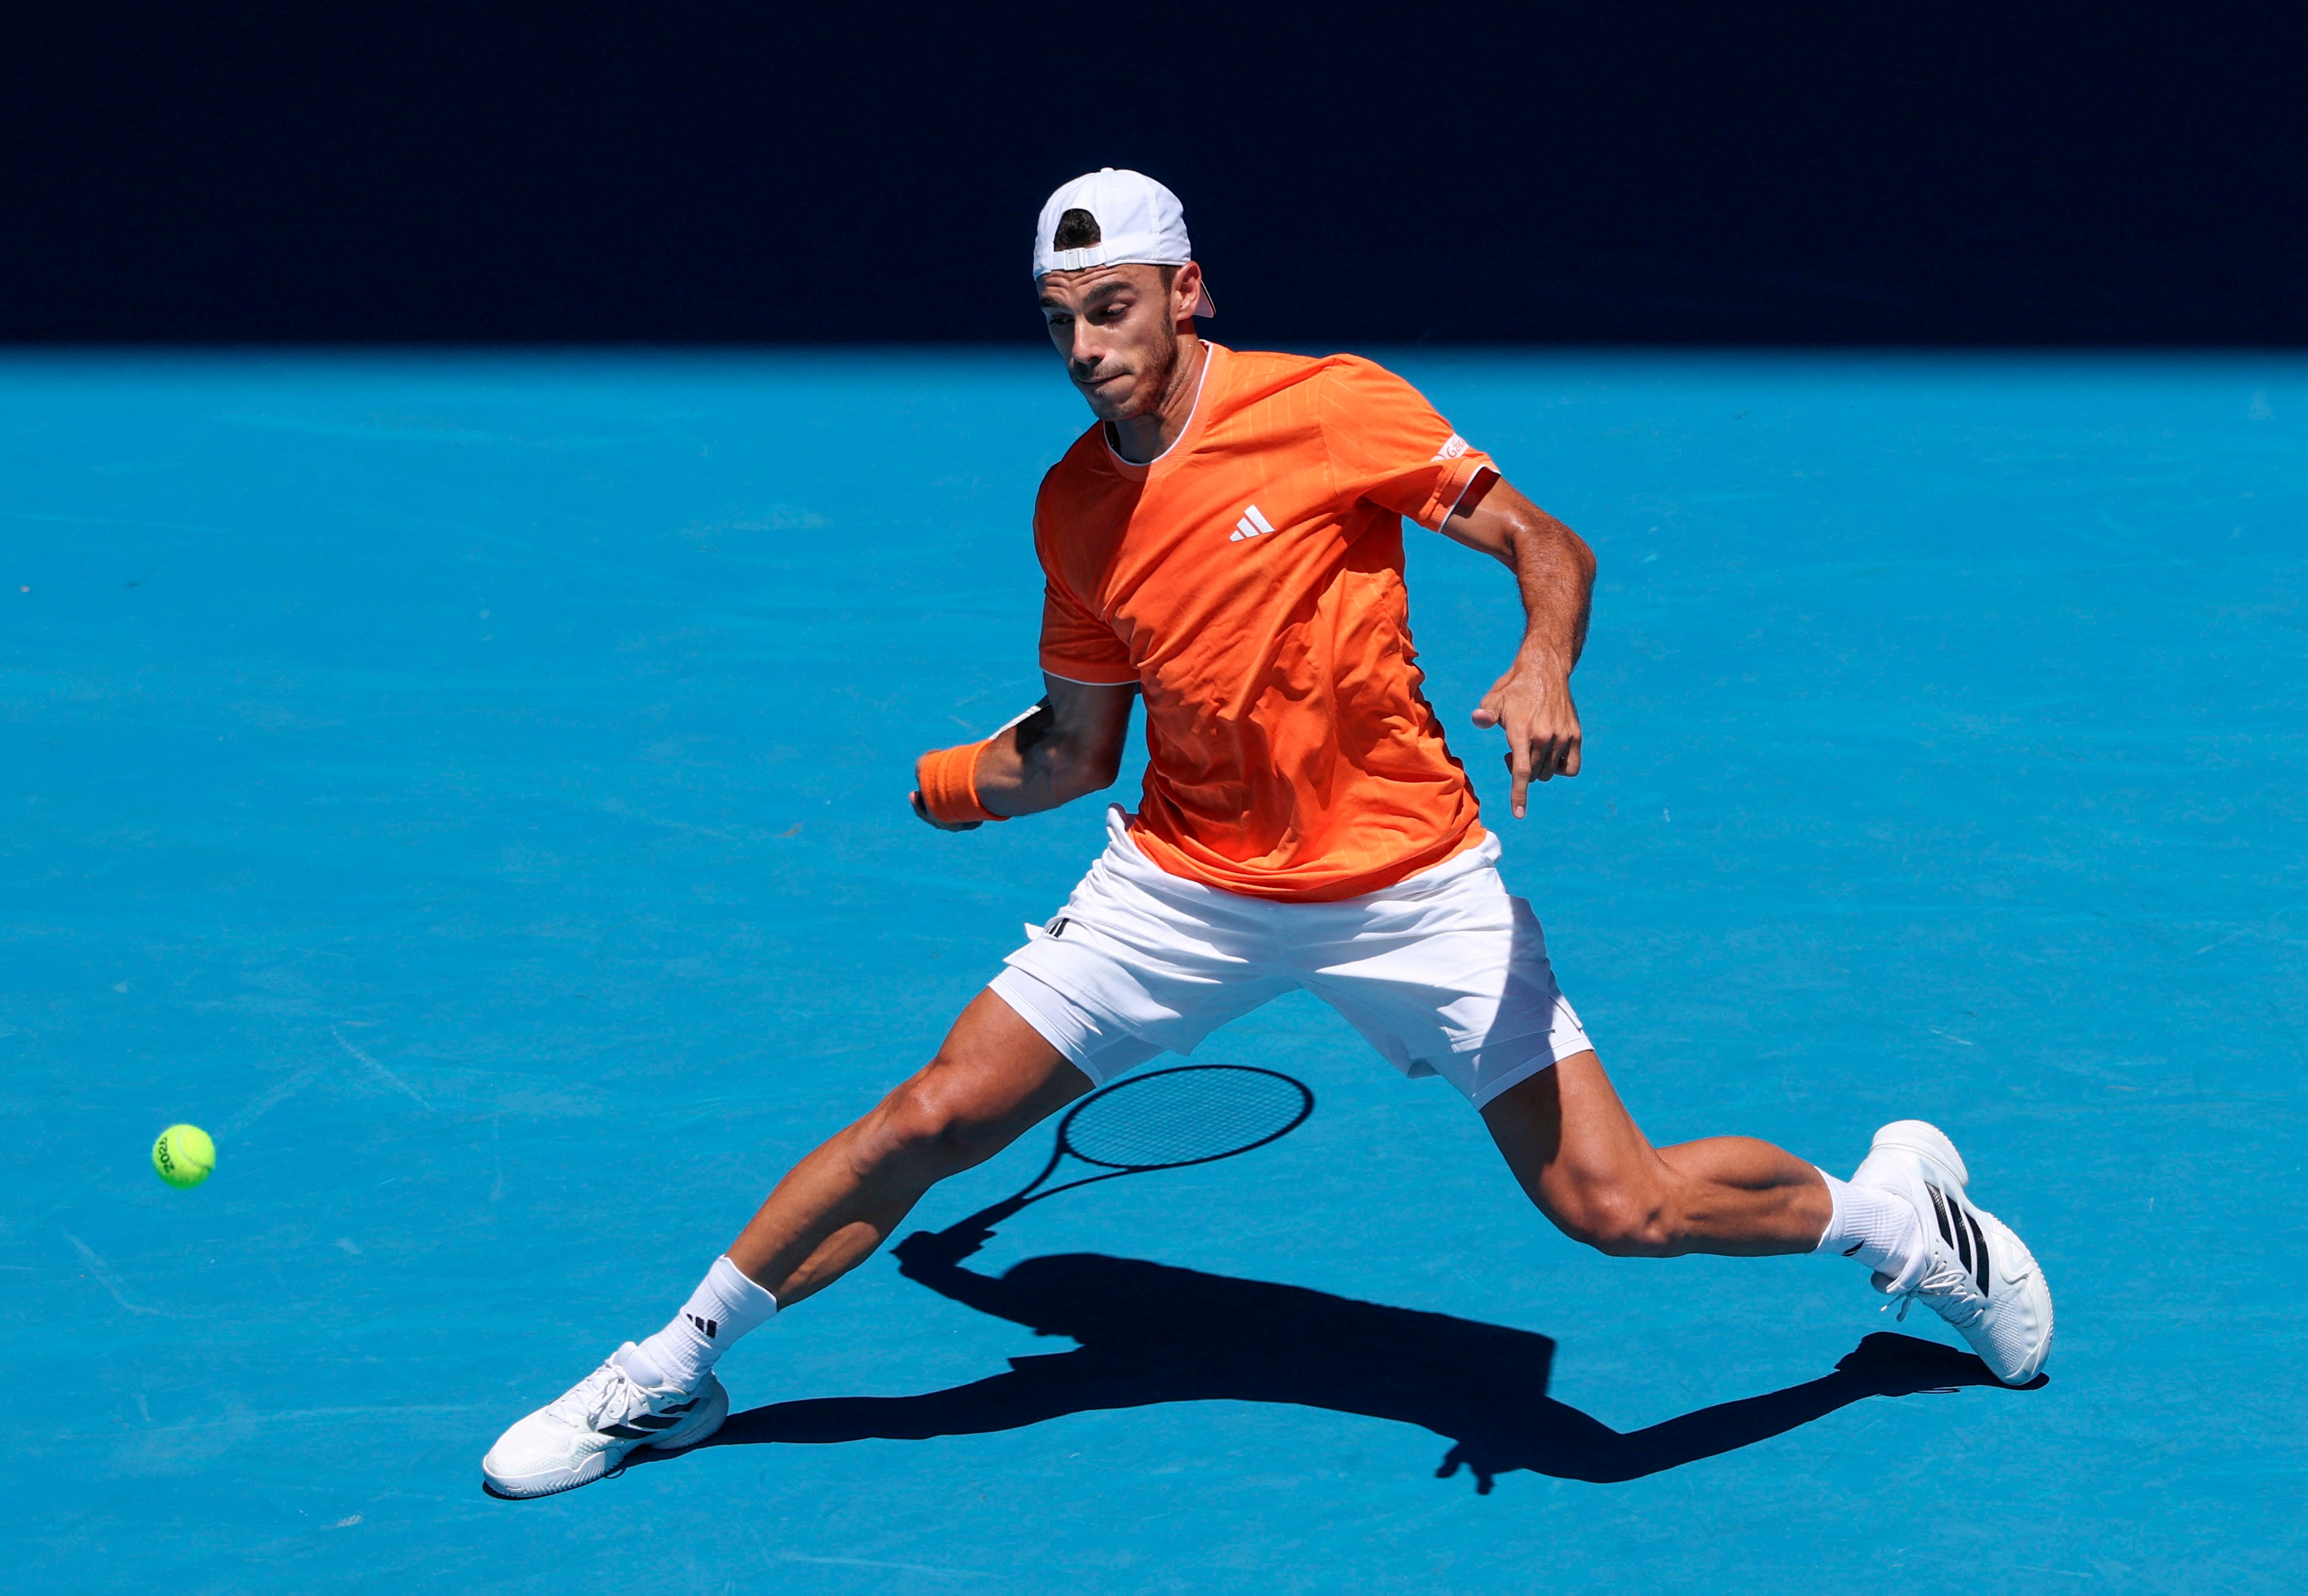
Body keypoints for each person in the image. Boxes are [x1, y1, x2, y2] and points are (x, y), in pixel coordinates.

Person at [481, 169, 2053, 1499]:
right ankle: (671, 1373)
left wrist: (1543, 663)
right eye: (1059, 321)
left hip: (1413, 887)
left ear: (1188, 293)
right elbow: (1077, 751)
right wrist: (953, 783)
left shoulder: (1331, 407)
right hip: (1185, 888)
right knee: (929, 1119)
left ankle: (1895, 1221)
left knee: (1619, 1212)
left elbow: (1546, 542)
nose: (1086, 348)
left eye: (1113, 310)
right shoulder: (1073, 509)